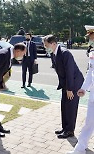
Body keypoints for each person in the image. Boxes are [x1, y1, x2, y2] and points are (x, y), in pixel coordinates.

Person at [43, 35, 84, 139]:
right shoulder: (53, 53)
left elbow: (69, 72)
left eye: (46, 45)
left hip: (74, 83)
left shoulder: (65, 53)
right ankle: (64, 128)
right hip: (66, 83)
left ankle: (70, 130)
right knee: (64, 105)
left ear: (53, 44)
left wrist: (70, 89)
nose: (45, 47)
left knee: (71, 107)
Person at [0, 43, 26, 137]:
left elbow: (1, 72)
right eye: (23, 54)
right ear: (17, 51)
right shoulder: (2, 55)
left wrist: (1, 83)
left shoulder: (10, 55)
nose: (23, 56)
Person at [67, 25, 94, 154]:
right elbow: (90, 73)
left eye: (91, 37)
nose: (89, 39)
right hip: (93, 96)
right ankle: (79, 149)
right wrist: (83, 88)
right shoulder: (92, 53)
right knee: (88, 123)